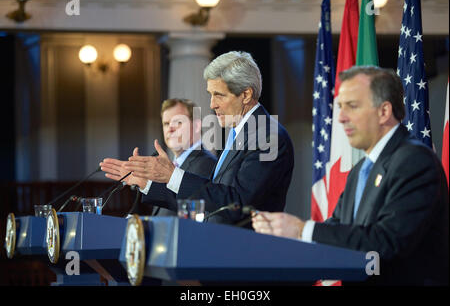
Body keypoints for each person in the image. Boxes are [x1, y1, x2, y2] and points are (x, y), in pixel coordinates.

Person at [252, 66, 449, 285]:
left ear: (384, 111)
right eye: (340, 108)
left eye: (352, 107)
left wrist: (301, 229)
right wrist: (283, 244)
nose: (342, 118)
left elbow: (385, 243)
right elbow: (338, 229)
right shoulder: (361, 169)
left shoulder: (414, 161)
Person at [123, 51, 294, 226]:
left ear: (246, 94)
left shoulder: (268, 136)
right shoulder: (239, 133)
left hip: (243, 249)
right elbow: (210, 198)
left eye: (219, 95)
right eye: (211, 94)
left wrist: (173, 175)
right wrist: (147, 184)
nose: (212, 104)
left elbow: (239, 203)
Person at [100, 98, 217, 216]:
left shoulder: (205, 164)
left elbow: (191, 212)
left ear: (196, 126)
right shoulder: (173, 164)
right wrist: (144, 183)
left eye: (178, 122)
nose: (170, 128)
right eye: (166, 123)